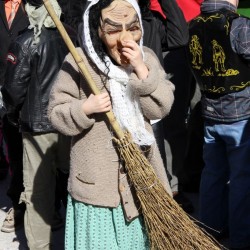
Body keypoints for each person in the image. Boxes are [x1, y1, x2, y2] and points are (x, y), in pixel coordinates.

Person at [48, 0, 174, 249]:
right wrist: (85, 108)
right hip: (96, 192)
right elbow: (55, 113)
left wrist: (141, 70)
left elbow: (160, 107)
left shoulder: (145, 57)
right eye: (114, 30)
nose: (125, 39)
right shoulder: (79, 63)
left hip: (143, 186)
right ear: (96, 29)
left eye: (133, 28)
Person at [1, 0, 76, 248]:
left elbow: (13, 90)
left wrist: (14, 116)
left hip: (38, 127)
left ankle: (39, 245)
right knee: (71, 183)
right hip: (68, 121)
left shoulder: (24, 42)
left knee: (37, 192)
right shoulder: (70, 37)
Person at [187, 0, 250, 249]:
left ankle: (210, 230)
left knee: (212, 174)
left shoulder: (193, 24)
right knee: (242, 179)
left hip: (210, 113)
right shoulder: (240, 26)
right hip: (241, 114)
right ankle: (241, 239)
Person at [0, 0, 29, 233]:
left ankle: (49, 205)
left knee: (40, 151)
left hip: (32, 90)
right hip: (3, 90)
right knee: (14, 150)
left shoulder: (37, 6)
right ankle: (17, 204)